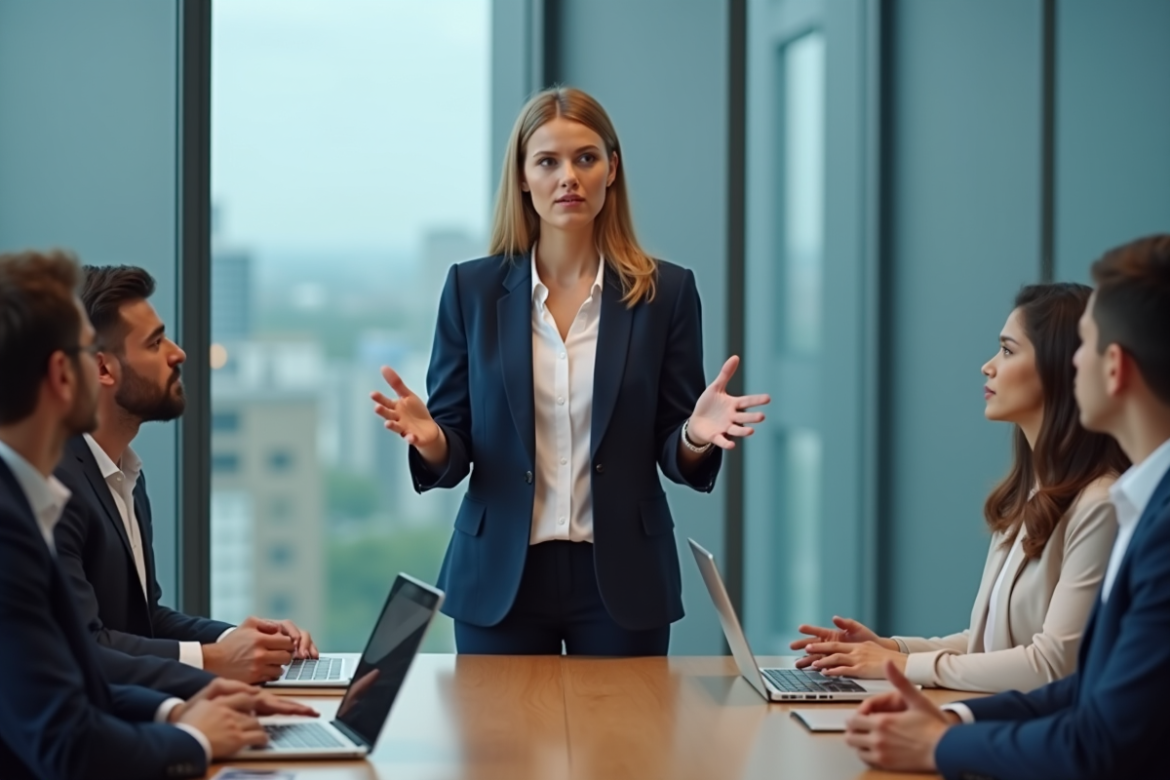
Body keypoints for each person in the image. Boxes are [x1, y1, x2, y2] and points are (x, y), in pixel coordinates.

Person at [371, 87, 770, 655]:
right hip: (499, 575)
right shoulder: (470, 289)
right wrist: (433, 439)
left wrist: (694, 436)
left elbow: (673, 453)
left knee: (626, 720)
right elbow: (454, 451)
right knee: (496, 720)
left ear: (613, 169)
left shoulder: (667, 293)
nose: (569, 178)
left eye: (586, 158)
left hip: (624, 577)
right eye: (548, 161)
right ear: (522, 176)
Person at [844, 234, 1170, 778]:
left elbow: (1089, 720)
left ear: (1114, 368)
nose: (1076, 363)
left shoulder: (1136, 516)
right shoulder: (1134, 502)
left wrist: (938, 740)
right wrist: (947, 714)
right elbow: (1081, 686)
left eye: (1085, 346)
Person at [0, 249, 295, 779]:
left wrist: (177, 710)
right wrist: (193, 736)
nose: (179, 353)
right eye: (156, 342)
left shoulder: (39, 497)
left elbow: (80, 673)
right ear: (74, 373)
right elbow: (67, 742)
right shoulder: (12, 523)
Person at [791, 284, 1128, 693]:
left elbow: (1052, 665)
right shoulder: (1032, 494)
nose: (987, 367)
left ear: (1059, 368)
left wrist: (900, 665)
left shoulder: (1099, 505)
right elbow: (989, 647)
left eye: (1007, 351)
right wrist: (888, 649)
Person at [52, 264, 319, 685]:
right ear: (102, 369)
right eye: (155, 343)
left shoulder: (123, 473)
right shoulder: (51, 487)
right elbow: (81, 647)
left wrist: (239, 640)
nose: (178, 353)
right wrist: (215, 659)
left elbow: (146, 622)